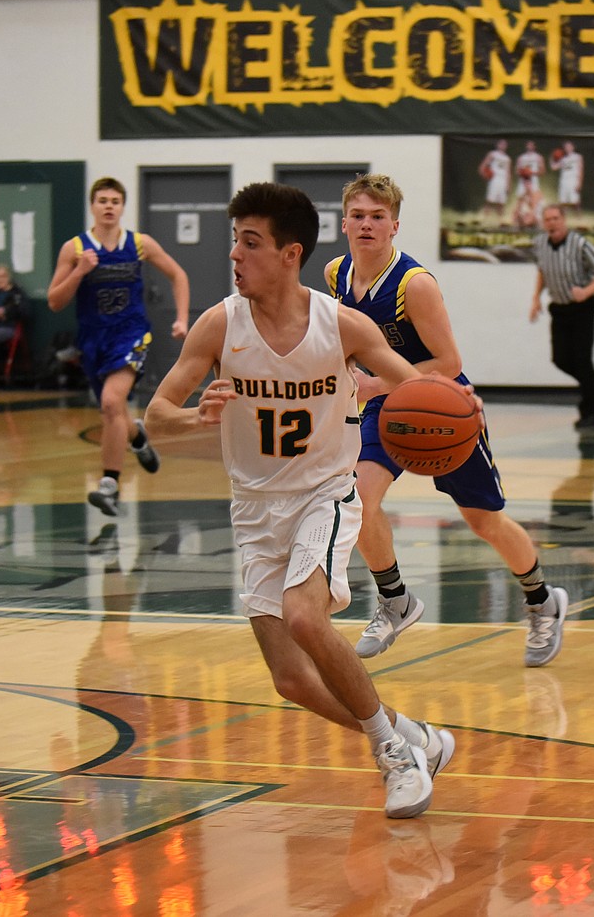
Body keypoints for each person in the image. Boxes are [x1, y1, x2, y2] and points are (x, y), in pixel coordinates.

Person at [145, 181, 453, 820]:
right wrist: (193, 418)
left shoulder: (340, 325)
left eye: (250, 243)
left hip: (326, 493)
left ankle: (392, 757)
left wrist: (458, 409)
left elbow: (416, 385)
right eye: (234, 240)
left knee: (307, 618)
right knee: (290, 681)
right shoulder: (218, 324)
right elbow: (154, 415)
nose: (235, 255)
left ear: (290, 254)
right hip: (254, 509)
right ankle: (414, 737)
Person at [324, 174, 568, 668]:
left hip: (440, 407)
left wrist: (377, 382)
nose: (367, 224)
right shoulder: (335, 274)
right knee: (358, 500)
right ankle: (395, 599)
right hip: (382, 408)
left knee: (485, 522)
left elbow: (448, 362)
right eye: (358, 215)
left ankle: (543, 601)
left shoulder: (415, 285)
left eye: (377, 217)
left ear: (394, 226)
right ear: (344, 222)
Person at [47, 176, 189, 517]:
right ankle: (137, 438)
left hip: (132, 335)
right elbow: (55, 301)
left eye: (115, 201)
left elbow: (178, 275)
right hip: (94, 340)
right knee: (113, 411)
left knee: (112, 401)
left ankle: (109, 485)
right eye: (102, 200)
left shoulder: (139, 243)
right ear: (93, 206)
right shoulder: (76, 249)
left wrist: (182, 318)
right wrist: (80, 271)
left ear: (123, 207)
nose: (109, 206)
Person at [529, 204, 594, 431]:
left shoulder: (580, 245)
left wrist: (587, 291)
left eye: (555, 218)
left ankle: (590, 413)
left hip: (582, 309)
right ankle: (589, 382)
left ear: (564, 220)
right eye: (547, 219)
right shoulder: (540, 244)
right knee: (560, 359)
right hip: (559, 308)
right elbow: (542, 271)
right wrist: (535, 298)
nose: (552, 223)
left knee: (583, 360)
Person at [478, 139, 511, 221]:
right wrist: (484, 175)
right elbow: (482, 166)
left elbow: (508, 172)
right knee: (490, 201)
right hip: (494, 179)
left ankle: (500, 220)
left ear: (506, 146)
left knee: (501, 203)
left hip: (503, 181)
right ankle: (484, 219)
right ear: (497, 145)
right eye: (501, 144)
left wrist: (508, 185)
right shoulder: (492, 154)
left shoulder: (507, 158)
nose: (503, 146)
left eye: (505, 144)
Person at [550, 140, 584, 216]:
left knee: (575, 201)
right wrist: (552, 157)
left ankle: (579, 216)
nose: (568, 148)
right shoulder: (563, 159)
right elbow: (554, 167)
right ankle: (563, 217)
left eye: (569, 146)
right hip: (564, 181)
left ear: (573, 147)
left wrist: (579, 183)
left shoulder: (577, 157)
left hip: (573, 180)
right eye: (566, 147)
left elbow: (581, 170)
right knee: (563, 201)